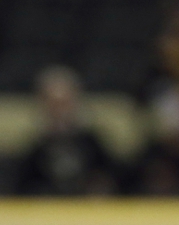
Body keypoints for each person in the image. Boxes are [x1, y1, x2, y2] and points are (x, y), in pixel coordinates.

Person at [17, 66, 119, 195]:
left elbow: (111, 178)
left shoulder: (92, 142)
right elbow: (22, 187)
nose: (60, 111)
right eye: (54, 104)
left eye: (64, 103)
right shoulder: (34, 147)